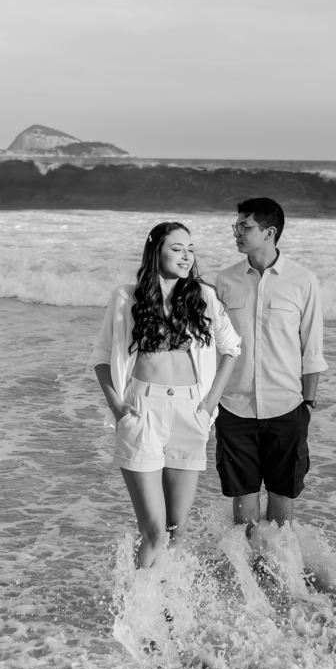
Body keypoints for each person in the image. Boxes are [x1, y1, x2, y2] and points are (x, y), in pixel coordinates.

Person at [90, 222, 241, 569]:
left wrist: (208, 406)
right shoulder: (126, 297)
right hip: (143, 411)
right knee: (155, 531)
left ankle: (169, 609)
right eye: (177, 248)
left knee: (177, 529)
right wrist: (117, 407)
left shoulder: (203, 296)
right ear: (155, 250)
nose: (187, 255)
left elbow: (231, 348)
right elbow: (100, 358)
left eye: (191, 248)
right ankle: (138, 611)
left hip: (191, 412)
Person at [214, 198, 326, 528]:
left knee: (281, 513)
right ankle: (245, 575)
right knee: (244, 513)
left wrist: (307, 405)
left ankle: (275, 576)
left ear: (269, 232)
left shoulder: (303, 281)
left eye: (244, 227)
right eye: (236, 226)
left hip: (287, 409)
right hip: (234, 409)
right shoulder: (224, 281)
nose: (236, 232)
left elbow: (312, 350)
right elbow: (211, 346)